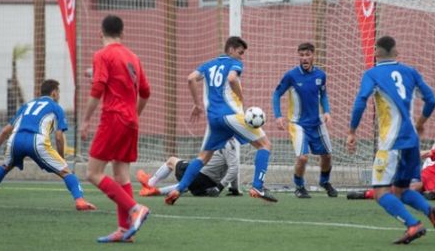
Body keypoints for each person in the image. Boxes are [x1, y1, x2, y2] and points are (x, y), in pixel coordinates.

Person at [347, 35, 435, 245]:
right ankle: (431, 211)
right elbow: (431, 99)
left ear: (376, 52)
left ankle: (413, 224)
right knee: (402, 190)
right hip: (411, 141)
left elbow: (360, 102)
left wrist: (352, 131)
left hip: (391, 143)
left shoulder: (372, 74)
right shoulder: (410, 72)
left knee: (380, 192)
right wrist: (420, 123)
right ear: (396, 52)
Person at [165, 36, 277, 205]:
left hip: (214, 119)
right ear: (231, 49)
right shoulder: (234, 63)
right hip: (231, 115)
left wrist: (197, 104)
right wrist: (239, 93)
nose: (241, 57)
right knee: (265, 145)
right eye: (240, 52)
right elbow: (232, 79)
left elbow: (190, 78)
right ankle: (258, 186)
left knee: (203, 157)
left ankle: (178, 189)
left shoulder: (209, 65)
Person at [0, 79, 96, 211]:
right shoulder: (56, 107)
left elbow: (5, 130)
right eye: (58, 92)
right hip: (37, 141)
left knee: (4, 167)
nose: (59, 95)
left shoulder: (26, 106)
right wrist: (61, 158)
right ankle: (80, 201)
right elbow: (59, 137)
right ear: (54, 92)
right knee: (66, 173)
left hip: (16, 140)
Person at [82, 15, 151, 243]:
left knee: (92, 172)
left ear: (99, 33)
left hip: (112, 117)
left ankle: (135, 209)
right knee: (121, 175)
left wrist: (85, 120)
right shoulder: (133, 57)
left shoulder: (102, 55)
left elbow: (98, 87)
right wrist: (134, 114)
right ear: (123, 33)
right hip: (130, 121)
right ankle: (124, 230)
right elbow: (145, 92)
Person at [272, 42, 337, 198]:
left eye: (307, 55)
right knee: (302, 157)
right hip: (298, 124)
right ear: (298, 56)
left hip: (317, 123)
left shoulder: (321, 75)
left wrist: (327, 111)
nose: (304, 58)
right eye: (301, 55)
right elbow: (276, 94)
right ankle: (299, 186)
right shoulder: (291, 75)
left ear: (313, 55)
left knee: (327, 155)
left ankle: (324, 181)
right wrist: (278, 116)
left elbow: (324, 95)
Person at [136, 138, 241, 197]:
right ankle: (157, 191)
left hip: (201, 177)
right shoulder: (230, 143)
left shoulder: (227, 142)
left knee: (171, 160)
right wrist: (234, 189)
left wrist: (220, 187)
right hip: (208, 187)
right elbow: (233, 166)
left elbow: (234, 168)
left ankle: (149, 183)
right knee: (188, 185)